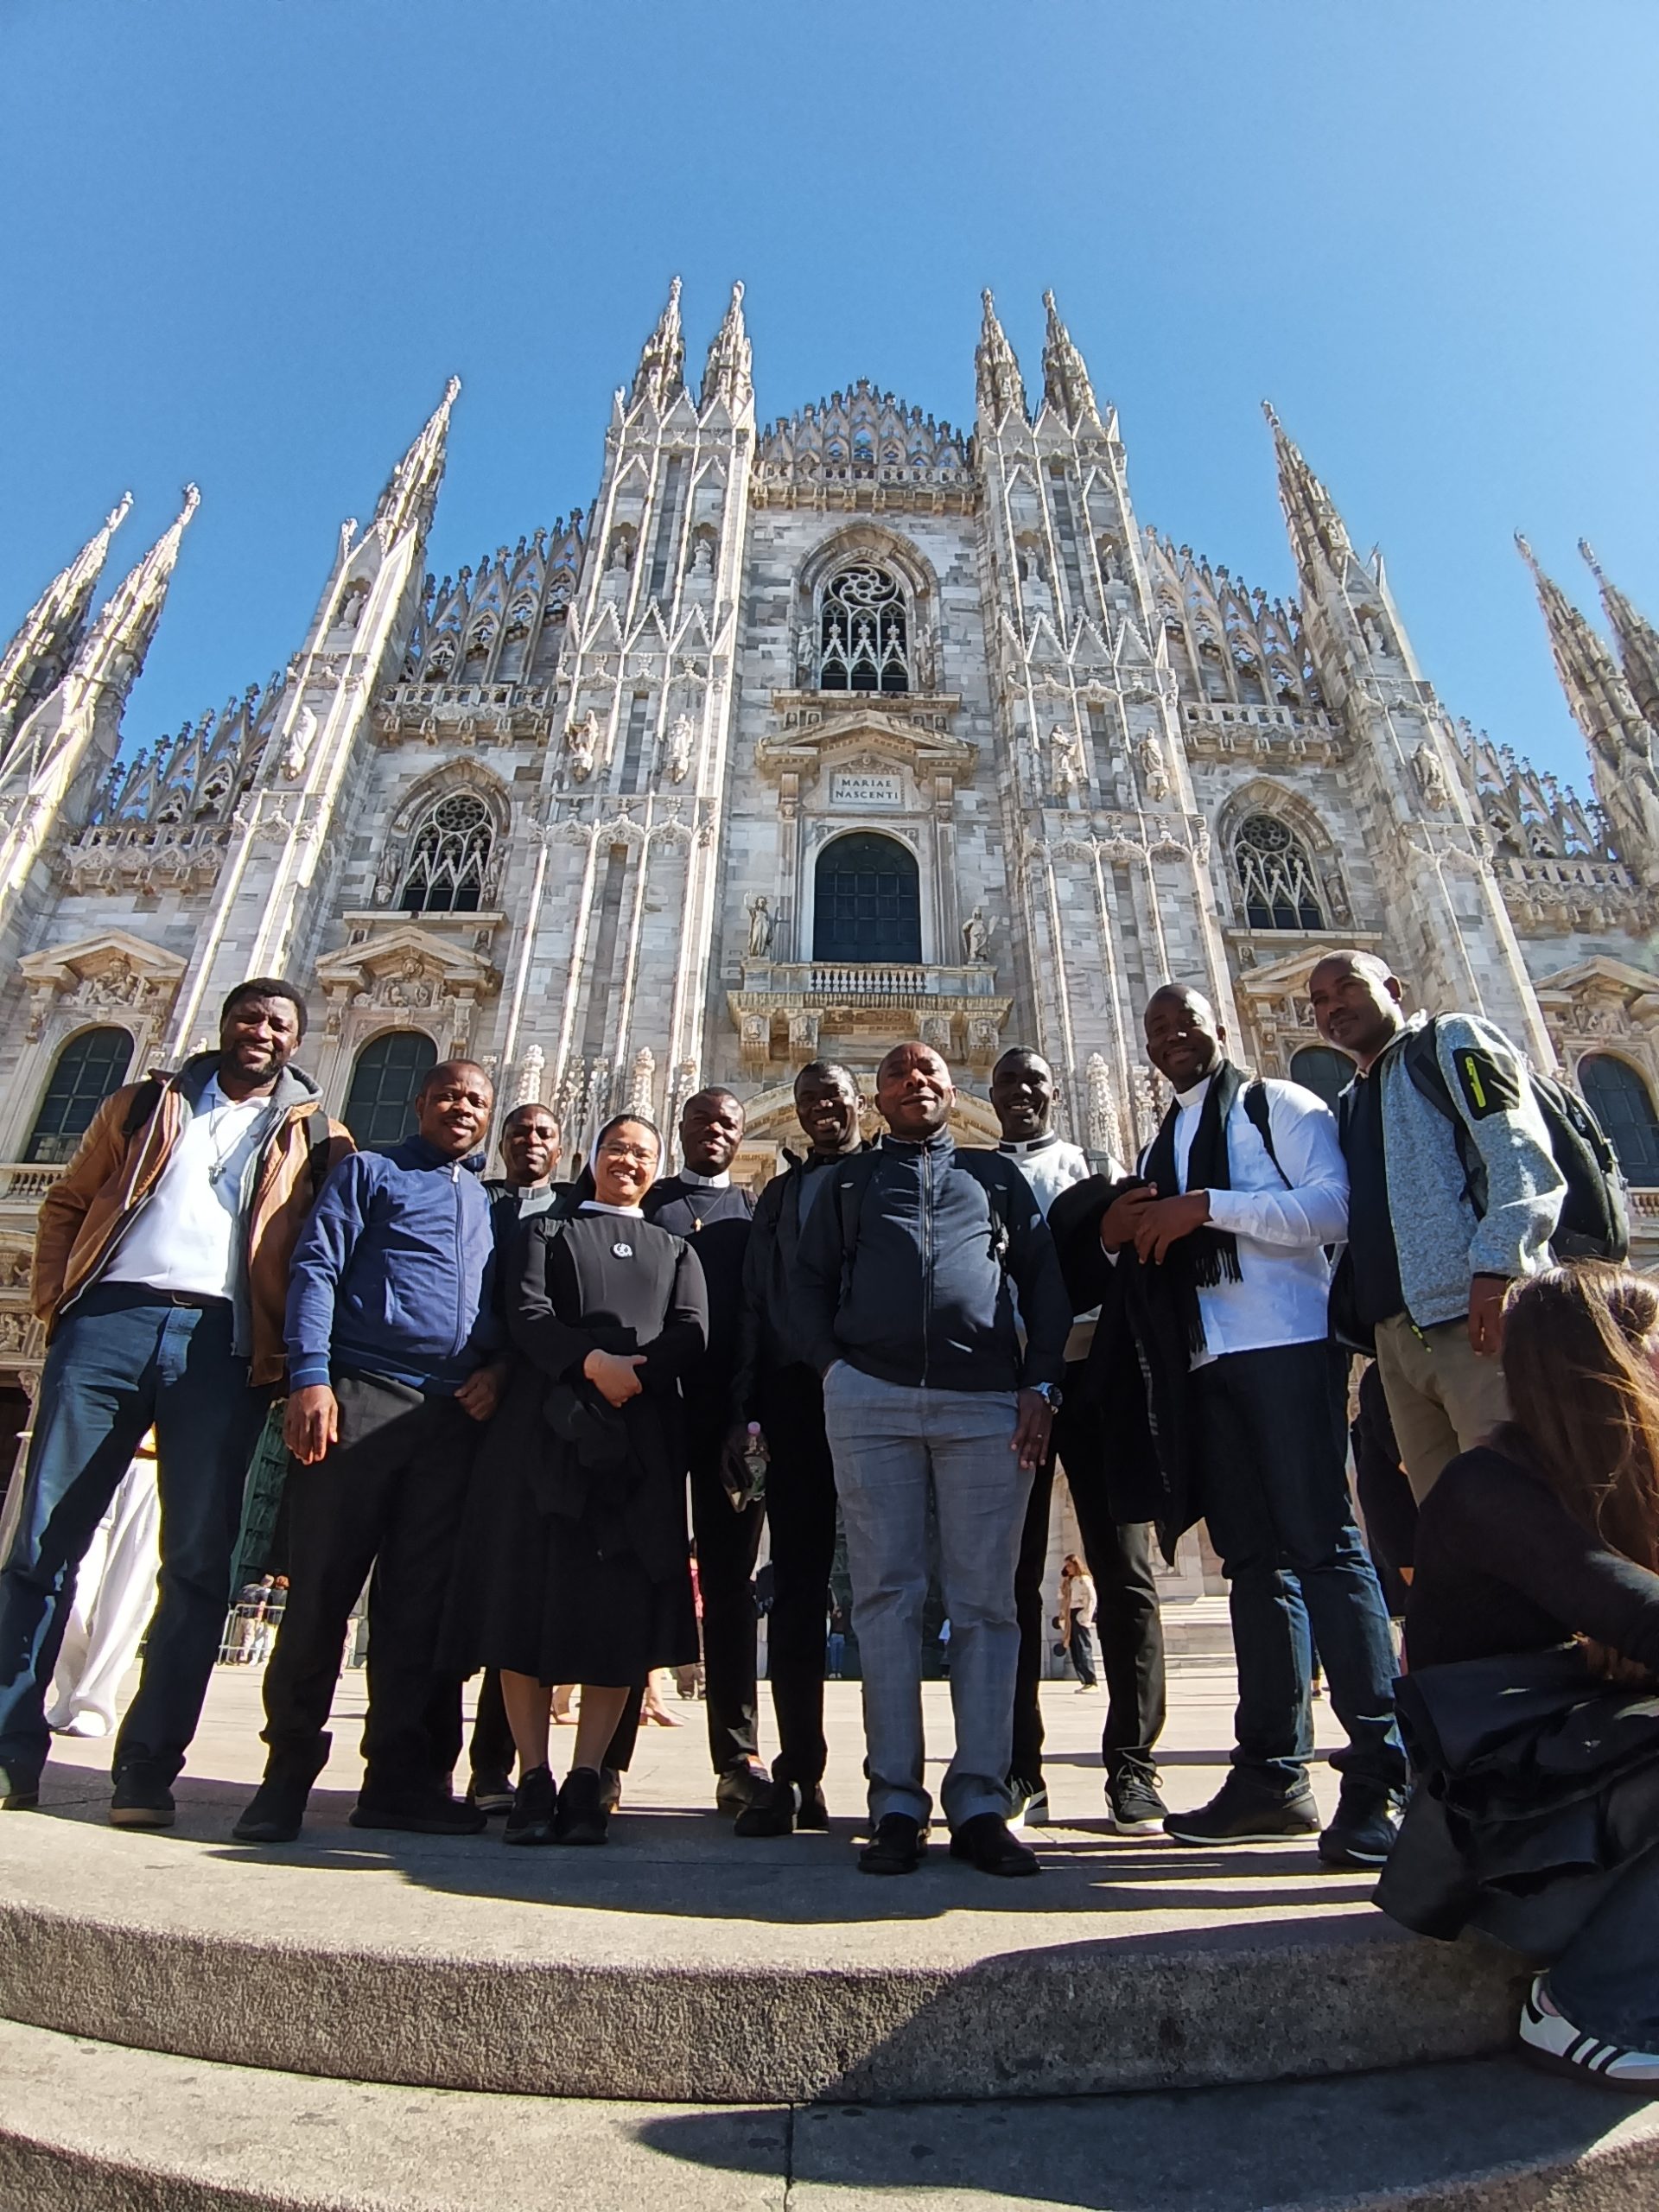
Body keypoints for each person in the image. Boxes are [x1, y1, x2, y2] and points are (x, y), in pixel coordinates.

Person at [0, 979, 352, 1826]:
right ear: (224, 1024)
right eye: (250, 1017)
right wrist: (61, 1301)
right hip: (110, 1322)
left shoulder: (317, 1135)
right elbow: (67, 1201)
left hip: (222, 1346)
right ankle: (10, 1753)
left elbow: (327, 1252)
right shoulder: (145, 1102)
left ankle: (147, 1769)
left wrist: (304, 1363)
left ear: (297, 1041)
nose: (261, 1032)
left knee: (197, 1566)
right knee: (43, 1544)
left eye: (279, 1024)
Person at [1100, 984, 1408, 1866]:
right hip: (1205, 1356)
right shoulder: (1165, 1133)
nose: (1171, 1040)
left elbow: (1332, 1211)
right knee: (1252, 1563)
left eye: (1185, 1023)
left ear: (1220, 1027)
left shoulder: (1283, 1104)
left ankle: (1381, 1775)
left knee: (1324, 1544)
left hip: (1287, 1340)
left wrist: (1207, 1207)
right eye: (1157, 1031)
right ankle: (1273, 1775)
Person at [793, 1041, 1072, 1878]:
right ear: (877, 1098)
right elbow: (802, 1286)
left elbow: (1045, 1283)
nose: (915, 1084)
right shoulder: (846, 1185)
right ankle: (894, 1802)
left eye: (929, 1073)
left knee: (987, 1604)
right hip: (870, 1398)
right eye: (898, 1075)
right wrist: (833, 1371)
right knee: (885, 1597)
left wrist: (1042, 1384)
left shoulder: (993, 1177)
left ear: (953, 1089)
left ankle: (982, 1799)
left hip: (985, 1401)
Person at [1378, 1265, 1659, 2088]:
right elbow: (1640, 1614)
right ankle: (1587, 2006)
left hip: (1573, 1797)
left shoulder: (1614, 1487)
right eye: (1644, 1343)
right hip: (1498, 1844)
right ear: (1600, 1366)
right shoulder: (1486, 1489)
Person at [232, 1060, 505, 1844]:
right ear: (420, 1102)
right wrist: (311, 1377)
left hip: (450, 1414)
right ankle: (285, 1776)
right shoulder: (373, 1173)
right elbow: (317, 1268)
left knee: (418, 1606)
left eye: (476, 1101)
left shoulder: (484, 1202)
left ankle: (399, 1781)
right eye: (449, 1094)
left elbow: (499, 1309)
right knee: (320, 1591)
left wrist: (498, 1371)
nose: (462, 1109)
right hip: (362, 1393)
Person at [444, 1114, 707, 1847]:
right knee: (525, 1594)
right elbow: (526, 1314)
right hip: (545, 1432)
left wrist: (633, 1374)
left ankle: (588, 1774)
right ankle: (532, 1773)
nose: (629, 1161)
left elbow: (693, 1330)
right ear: (592, 1156)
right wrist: (593, 1364)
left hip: (636, 1439)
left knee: (617, 1605)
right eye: (618, 1148)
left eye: (643, 1153)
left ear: (659, 1167)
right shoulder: (544, 1233)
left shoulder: (676, 1248)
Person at [1309, 950, 1565, 1502]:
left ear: (1393, 990)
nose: (1334, 1007)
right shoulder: (1352, 1099)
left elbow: (1519, 1152)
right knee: (1451, 1525)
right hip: (1399, 1339)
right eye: (1320, 1001)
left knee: (1526, 1504)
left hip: (1471, 1318)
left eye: (1347, 988)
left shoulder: (1451, 1042)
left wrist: (1499, 1267)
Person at [992, 1046, 1167, 1836]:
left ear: (1054, 1091)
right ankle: (1017, 1767)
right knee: (1008, 1582)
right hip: (1007, 1391)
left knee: (1125, 1573)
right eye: (1009, 1084)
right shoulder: (968, 1175)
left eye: (1035, 1081)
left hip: (1096, 1381)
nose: (1023, 1093)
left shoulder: (1095, 1168)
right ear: (988, 1096)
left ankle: (1133, 1766)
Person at [727, 1060, 866, 1838]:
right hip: (792, 1400)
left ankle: (896, 1778)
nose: (819, 1109)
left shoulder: (885, 1179)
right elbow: (755, 1302)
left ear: (859, 1106)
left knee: (891, 1583)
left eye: (833, 1098)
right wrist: (746, 1409)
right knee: (799, 1589)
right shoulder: (778, 1194)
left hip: (874, 1394)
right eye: (808, 1098)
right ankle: (799, 1774)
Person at [639, 1088, 767, 1815]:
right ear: (680, 1128)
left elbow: (758, 1323)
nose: (713, 1131)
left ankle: (737, 1756)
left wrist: (748, 1418)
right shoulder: (648, 1205)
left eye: (727, 1122)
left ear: (740, 1133)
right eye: (700, 1120)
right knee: (634, 1572)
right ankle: (609, 1756)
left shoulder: (753, 1216)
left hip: (728, 1423)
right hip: (649, 1417)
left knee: (729, 1588)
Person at [467, 1102, 566, 1818]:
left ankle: (496, 1765)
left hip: (528, 1406)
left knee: (512, 1583)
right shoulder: (464, 1194)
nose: (532, 1144)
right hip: (448, 1392)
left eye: (545, 1134)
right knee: (434, 1584)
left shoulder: (566, 1213)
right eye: (520, 1132)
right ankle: (410, 1760)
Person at [45, 1438, 162, 1738]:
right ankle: (69, 1686)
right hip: (97, 1454)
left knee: (126, 1593)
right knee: (72, 1589)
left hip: (156, 1463)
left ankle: (95, 1702)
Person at [1058, 1554, 1098, 1690]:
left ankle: (1091, 1679)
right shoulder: (1070, 1581)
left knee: (1083, 1647)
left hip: (1080, 1611)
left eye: (1069, 1565)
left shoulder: (1084, 1580)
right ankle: (1084, 1680)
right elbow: (1062, 1596)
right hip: (1071, 1612)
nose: (1067, 1568)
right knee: (1075, 1648)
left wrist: (1086, 1615)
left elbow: (1092, 1597)